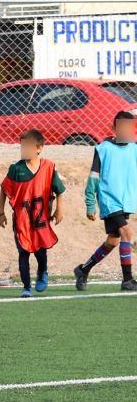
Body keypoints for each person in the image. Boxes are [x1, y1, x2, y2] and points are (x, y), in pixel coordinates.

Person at [75, 111, 137, 292]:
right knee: (127, 232)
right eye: (123, 126)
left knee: (113, 241)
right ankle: (127, 280)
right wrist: (90, 203)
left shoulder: (134, 148)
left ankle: (83, 269)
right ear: (114, 128)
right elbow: (93, 178)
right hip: (109, 201)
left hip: (125, 202)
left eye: (130, 127)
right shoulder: (103, 149)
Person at [0, 129, 65, 297]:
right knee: (23, 252)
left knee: (40, 251)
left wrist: (59, 209)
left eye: (28, 146)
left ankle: (43, 272)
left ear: (39, 148)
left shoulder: (48, 167)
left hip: (41, 220)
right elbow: (4, 189)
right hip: (21, 220)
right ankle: (26, 287)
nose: (24, 150)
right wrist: (1, 212)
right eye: (22, 146)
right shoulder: (16, 169)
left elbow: (59, 190)